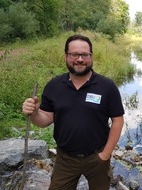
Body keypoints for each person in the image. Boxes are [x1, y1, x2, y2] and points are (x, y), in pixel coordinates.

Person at [22, 34, 125, 190]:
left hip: (97, 158)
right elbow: (45, 119)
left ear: (91, 56)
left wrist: (105, 155)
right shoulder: (54, 86)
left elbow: (118, 120)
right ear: (66, 56)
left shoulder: (107, 86)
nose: (80, 59)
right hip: (65, 159)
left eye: (85, 54)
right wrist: (35, 113)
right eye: (74, 54)